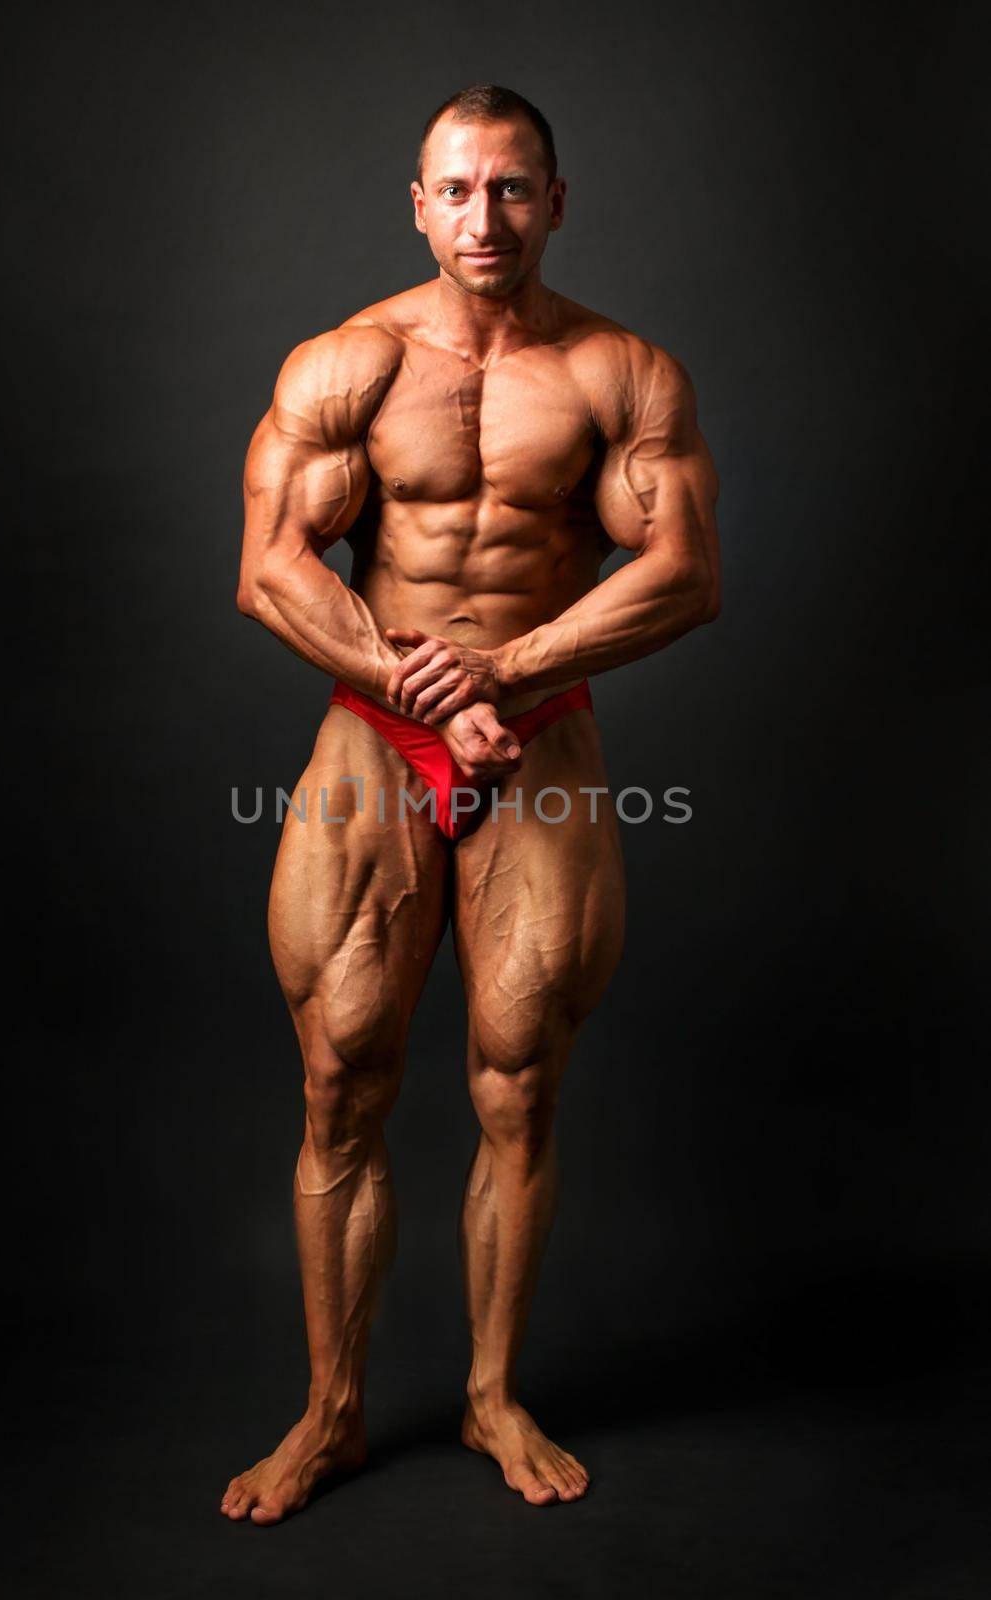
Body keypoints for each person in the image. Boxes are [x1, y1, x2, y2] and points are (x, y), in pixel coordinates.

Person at [221, 83, 721, 1525]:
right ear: (418, 204)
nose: (483, 216)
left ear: (556, 202)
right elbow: (271, 567)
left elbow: (683, 572)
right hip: (375, 744)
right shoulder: (350, 364)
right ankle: (330, 1414)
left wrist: (505, 663)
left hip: (542, 737)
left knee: (520, 1083)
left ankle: (495, 1394)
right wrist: (427, 684)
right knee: (342, 1081)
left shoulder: (624, 372)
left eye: (512, 188)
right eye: (456, 189)